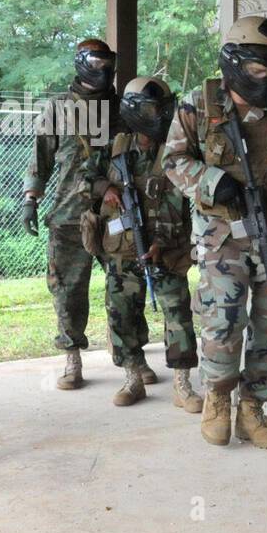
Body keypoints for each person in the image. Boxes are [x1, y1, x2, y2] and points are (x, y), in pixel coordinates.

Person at [164, 15, 267, 449]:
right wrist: (212, 182)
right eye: (258, 70)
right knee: (222, 320)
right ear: (235, 64)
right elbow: (172, 162)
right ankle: (217, 399)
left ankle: (254, 407)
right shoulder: (199, 106)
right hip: (221, 237)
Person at [22, 39, 144, 390]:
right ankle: (71, 356)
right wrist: (31, 198)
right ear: (80, 63)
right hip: (67, 212)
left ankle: (133, 359)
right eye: (96, 60)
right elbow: (40, 156)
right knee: (67, 289)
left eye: (109, 61)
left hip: (115, 211)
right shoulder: (58, 107)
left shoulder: (124, 109)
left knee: (126, 288)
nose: (103, 68)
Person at [79, 76, 201, 411]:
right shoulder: (114, 149)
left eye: (162, 108)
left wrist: (161, 241)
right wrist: (106, 188)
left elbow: (181, 200)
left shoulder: (175, 151)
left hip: (166, 249)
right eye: (151, 109)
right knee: (121, 315)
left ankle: (182, 384)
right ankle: (133, 378)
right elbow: (83, 181)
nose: (159, 115)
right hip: (122, 252)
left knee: (177, 315)